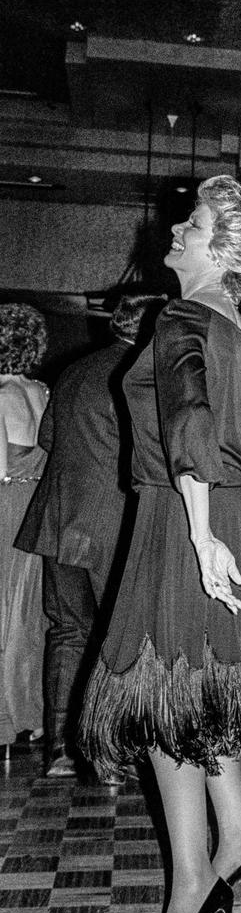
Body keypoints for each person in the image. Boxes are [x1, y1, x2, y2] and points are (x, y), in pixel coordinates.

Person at [79, 175, 241, 913]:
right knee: (202, 688)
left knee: (163, 703)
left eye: (194, 221)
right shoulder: (234, 324)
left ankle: (190, 883)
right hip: (222, 516)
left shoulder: (185, 314)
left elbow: (191, 421)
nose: (176, 227)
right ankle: (238, 835)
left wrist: (204, 531)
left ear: (217, 250)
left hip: (187, 519)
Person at [15, 294, 163, 778]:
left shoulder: (74, 371)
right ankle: (110, 753)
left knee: (68, 632)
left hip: (60, 523)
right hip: (113, 525)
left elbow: (47, 440)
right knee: (119, 638)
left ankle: (60, 750)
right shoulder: (144, 373)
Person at [0, 304, 49, 752]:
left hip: (7, 506)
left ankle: (5, 714)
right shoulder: (43, 391)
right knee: (32, 613)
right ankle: (33, 714)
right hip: (40, 505)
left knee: (4, 611)